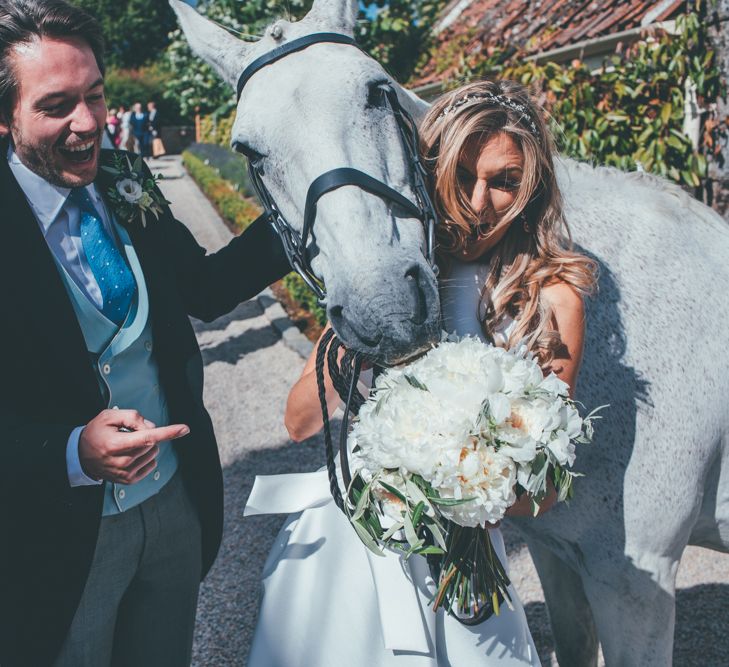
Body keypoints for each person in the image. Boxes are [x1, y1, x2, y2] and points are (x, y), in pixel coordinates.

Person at [246, 79, 597, 665]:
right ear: (431, 172)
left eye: (505, 181)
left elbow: (546, 490)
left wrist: (465, 486)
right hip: (350, 545)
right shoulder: (394, 278)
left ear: (531, 190)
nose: (480, 202)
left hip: (465, 562)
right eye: (462, 175)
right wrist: (364, 322)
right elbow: (301, 421)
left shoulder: (552, 301)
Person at [0, 1, 290, 665]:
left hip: (171, 509)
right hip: (52, 536)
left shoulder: (126, 177)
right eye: (55, 105)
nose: (88, 124)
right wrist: (70, 450)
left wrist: (304, 216)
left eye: (96, 96)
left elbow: (204, 288)